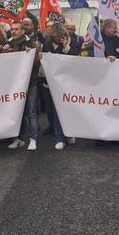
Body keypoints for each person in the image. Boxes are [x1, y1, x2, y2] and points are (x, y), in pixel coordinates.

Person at [37, 22, 77, 150]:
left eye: (59, 36)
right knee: (55, 110)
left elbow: (76, 59)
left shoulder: (72, 42)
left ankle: (69, 133)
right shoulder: (47, 44)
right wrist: (41, 57)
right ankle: (60, 138)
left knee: (67, 109)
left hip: (67, 82)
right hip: (51, 82)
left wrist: (66, 48)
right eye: (55, 36)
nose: (57, 38)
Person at [4, 21, 37, 150]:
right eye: (12, 29)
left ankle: (33, 139)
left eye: (17, 29)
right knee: (17, 112)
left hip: (30, 83)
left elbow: (38, 64)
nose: (13, 31)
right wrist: (5, 53)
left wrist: (31, 55)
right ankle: (18, 139)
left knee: (31, 111)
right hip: (14, 85)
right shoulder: (7, 44)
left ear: (23, 31)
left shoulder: (32, 44)